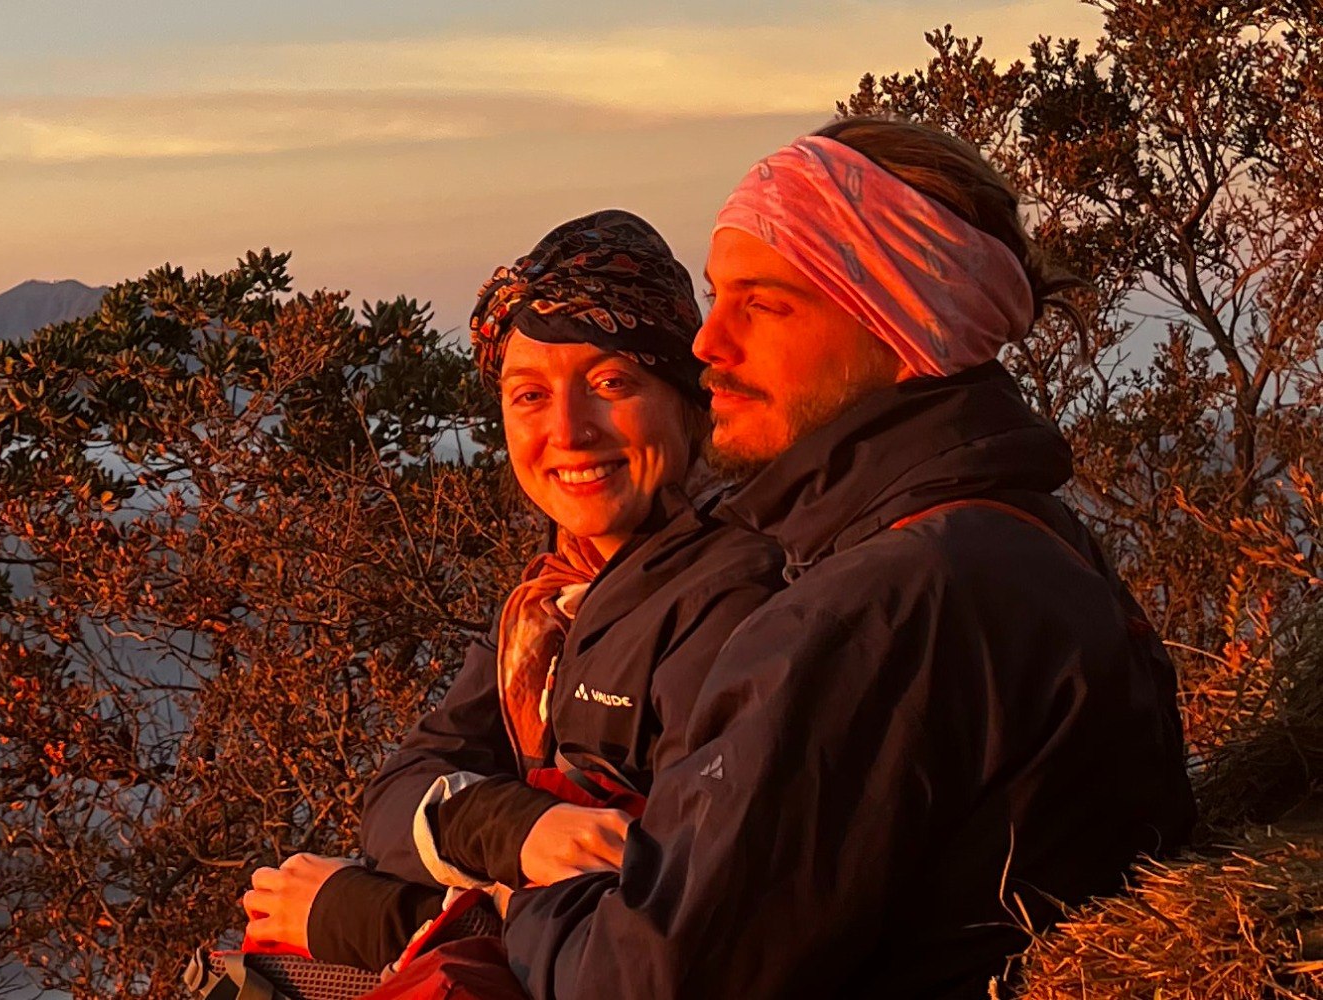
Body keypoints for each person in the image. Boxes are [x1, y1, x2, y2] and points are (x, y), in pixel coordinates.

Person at [493, 118, 1196, 998]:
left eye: (765, 303)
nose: (709, 345)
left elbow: (646, 982)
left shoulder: (882, 607)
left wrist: (518, 892)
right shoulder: (1017, 536)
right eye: (719, 298)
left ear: (905, 325)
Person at [234, 209, 785, 973]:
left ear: (688, 402)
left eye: (611, 382)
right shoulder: (550, 603)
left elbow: (655, 945)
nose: (568, 429)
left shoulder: (732, 602)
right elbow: (395, 799)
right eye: (529, 395)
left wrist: (367, 916)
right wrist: (520, 829)